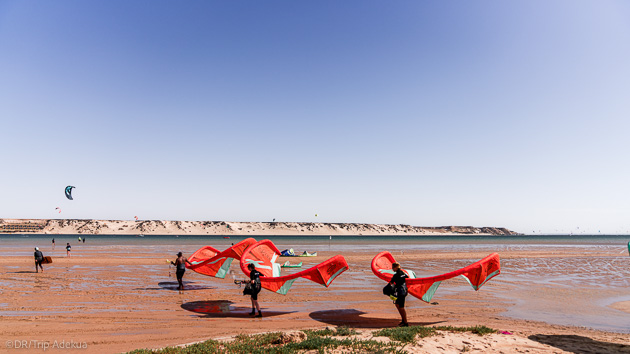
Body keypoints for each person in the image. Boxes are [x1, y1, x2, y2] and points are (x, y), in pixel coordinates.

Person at [390, 262, 409, 327]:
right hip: (404, 291)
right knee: (397, 304)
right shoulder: (404, 273)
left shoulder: (396, 275)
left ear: (395, 267)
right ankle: (403, 321)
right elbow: (408, 278)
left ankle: (405, 323)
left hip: (400, 292)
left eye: (393, 267)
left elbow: (391, 282)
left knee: (401, 307)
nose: (392, 269)